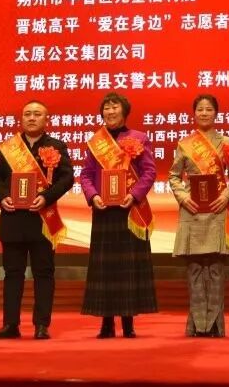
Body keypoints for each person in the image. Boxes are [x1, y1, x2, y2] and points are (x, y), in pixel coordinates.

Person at [0, 100, 74, 340]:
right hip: (13, 218)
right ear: (21, 118)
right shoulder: (9, 147)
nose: (32, 118)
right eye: (27, 114)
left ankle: (41, 325)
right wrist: (2, 197)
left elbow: (67, 178)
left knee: (43, 273)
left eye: (37, 114)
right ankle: (10, 325)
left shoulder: (56, 146)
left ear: (46, 119)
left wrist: (47, 197)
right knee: (12, 274)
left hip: (42, 220)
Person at [79, 92, 158, 338]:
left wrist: (134, 195)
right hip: (104, 211)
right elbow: (86, 174)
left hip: (130, 210)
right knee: (105, 268)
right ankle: (106, 323)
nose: (110, 111)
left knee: (128, 268)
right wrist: (93, 195)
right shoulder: (96, 142)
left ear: (124, 112)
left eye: (115, 107)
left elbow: (149, 172)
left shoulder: (139, 138)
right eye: (106, 108)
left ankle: (128, 323)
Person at [169, 94, 229, 337]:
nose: (204, 113)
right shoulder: (185, 144)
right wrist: (183, 197)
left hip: (218, 210)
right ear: (194, 113)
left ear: (216, 113)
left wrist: (227, 196)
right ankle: (197, 326)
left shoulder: (226, 143)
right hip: (192, 210)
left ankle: (215, 326)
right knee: (195, 270)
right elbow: (174, 176)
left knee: (216, 270)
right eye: (200, 109)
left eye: (209, 109)